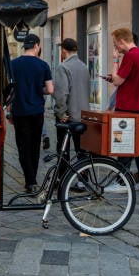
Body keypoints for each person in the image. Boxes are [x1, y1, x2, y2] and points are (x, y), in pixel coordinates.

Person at [103, 28, 139, 194]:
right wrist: (116, 75)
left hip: (128, 108)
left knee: (123, 146)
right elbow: (129, 79)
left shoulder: (130, 55)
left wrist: (115, 61)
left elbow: (117, 81)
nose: (115, 48)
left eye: (115, 44)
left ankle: (121, 182)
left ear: (122, 41)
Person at [9, 33, 54, 193]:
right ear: (37, 46)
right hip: (37, 111)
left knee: (23, 146)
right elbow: (50, 89)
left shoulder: (13, 64)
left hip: (19, 110)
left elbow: (8, 90)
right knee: (35, 145)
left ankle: (30, 181)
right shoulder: (43, 66)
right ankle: (33, 179)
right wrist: (37, 89)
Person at [53, 38, 90, 177]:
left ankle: (63, 177)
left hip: (68, 115)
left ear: (63, 50)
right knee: (81, 149)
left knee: (63, 149)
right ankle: (83, 179)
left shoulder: (63, 67)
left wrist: (61, 113)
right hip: (83, 114)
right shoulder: (84, 66)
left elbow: (62, 94)